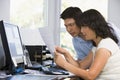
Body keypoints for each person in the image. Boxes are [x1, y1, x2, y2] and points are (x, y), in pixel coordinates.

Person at [54, 9, 120, 79]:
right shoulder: (96, 47)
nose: (82, 31)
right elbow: (80, 66)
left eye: (84, 27)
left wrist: (64, 64)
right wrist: (66, 54)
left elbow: (90, 76)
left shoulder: (105, 46)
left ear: (94, 26)